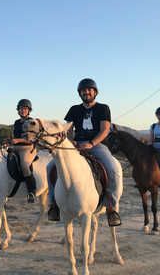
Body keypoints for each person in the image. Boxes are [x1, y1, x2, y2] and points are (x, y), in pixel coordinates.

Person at [47, 78, 122, 227]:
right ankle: (53, 205)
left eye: (89, 90)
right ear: (79, 93)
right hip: (75, 146)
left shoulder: (103, 108)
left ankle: (111, 208)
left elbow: (104, 130)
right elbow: (68, 130)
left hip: (97, 145)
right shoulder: (74, 109)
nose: (86, 92)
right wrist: (71, 142)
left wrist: (91, 143)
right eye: (83, 90)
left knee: (113, 170)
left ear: (95, 92)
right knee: (50, 168)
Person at [10, 99, 37, 203]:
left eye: (25, 108)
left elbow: (32, 139)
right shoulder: (16, 122)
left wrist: (17, 140)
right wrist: (11, 140)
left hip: (27, 148)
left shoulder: (31, 122)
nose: (23, 110)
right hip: (15, 147)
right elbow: (15, 136)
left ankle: (31, 192)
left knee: (24, 166)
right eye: (21, 108)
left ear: (28, 110)